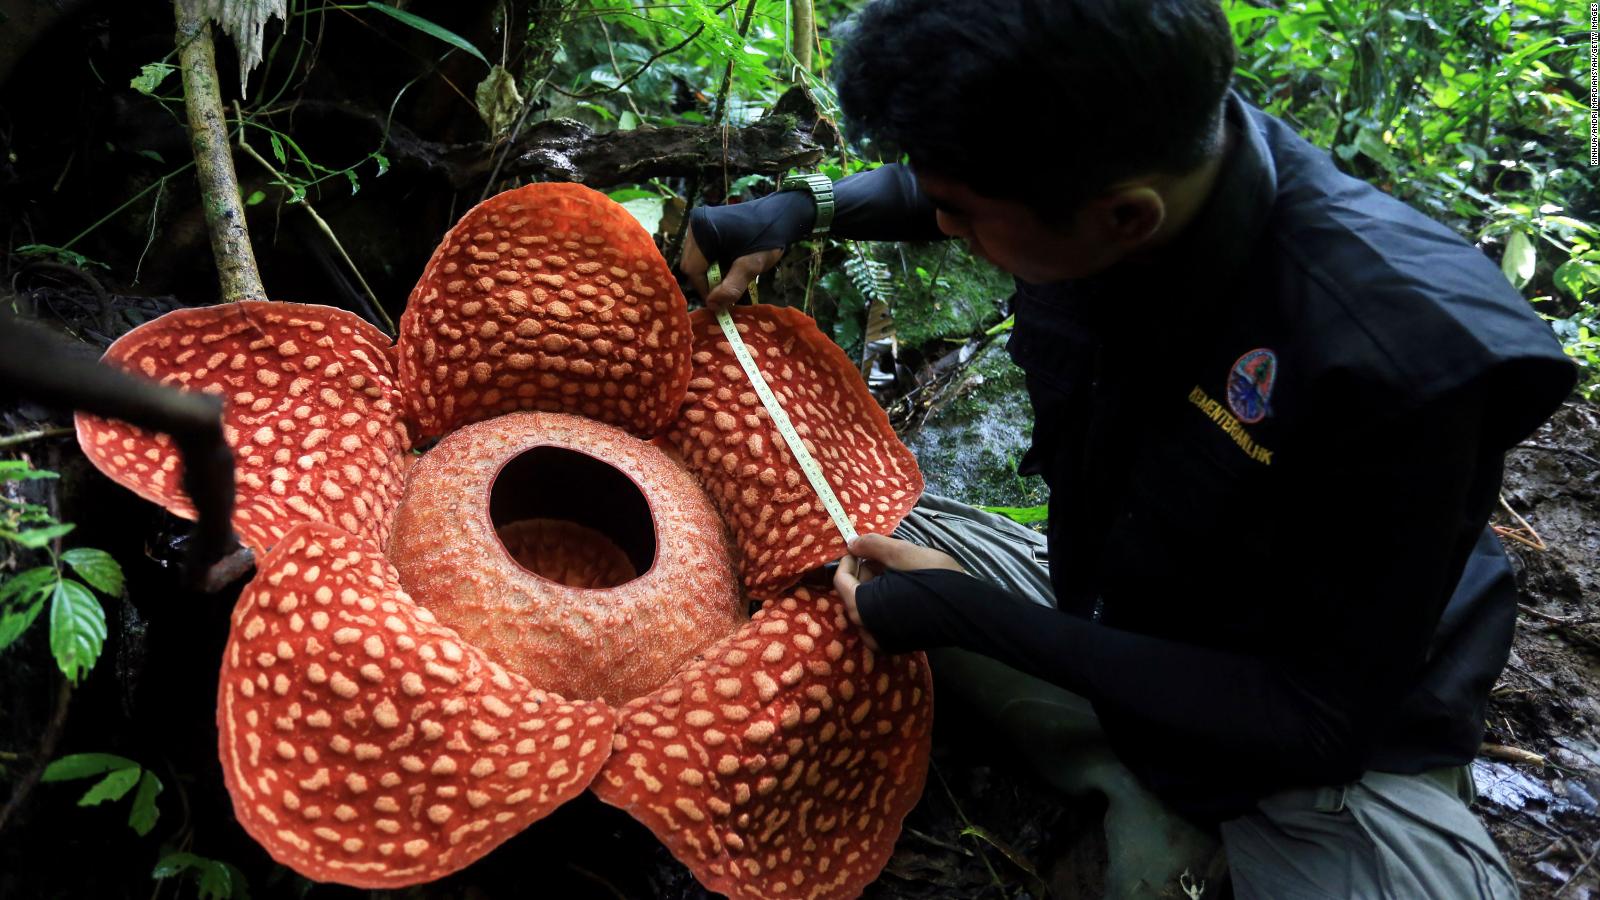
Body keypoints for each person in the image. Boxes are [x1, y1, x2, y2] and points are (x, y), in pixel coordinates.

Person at [678, 0, 1578, 896]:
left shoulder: (1402, 354)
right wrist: (801, 207)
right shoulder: (1154, 142)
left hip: (1316, 749)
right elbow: (958, 190)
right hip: (1111, 597)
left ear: (1123, 219)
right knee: (818, 529)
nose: (947, 227)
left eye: (963, 214)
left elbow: (1316, 719)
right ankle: (1126, 791)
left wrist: (968, 616)